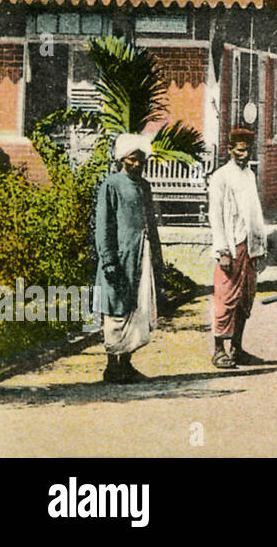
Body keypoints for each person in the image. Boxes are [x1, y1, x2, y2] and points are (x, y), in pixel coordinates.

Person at [94, 134, 163, 384]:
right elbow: (103, 226)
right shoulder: (111, 185)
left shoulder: (144, 186)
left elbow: (150, 225)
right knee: (116, 309)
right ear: (122, 159)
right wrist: (109, 260)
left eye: (140, 160)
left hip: (141, 256)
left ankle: (127, 363)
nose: (137, 164)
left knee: (137, 307)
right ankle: (112, 365)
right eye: (132, 160)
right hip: (120, 258)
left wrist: (157, 258)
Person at [208, 127, 267, 369]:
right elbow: (216, 215)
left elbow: (255, 213)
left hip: (250, 246)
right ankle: (219, 350)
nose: (244, 155)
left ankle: (237, 348)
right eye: (240, 150)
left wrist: (260, 245)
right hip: (231, 246)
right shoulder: (221, 177)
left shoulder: (250, 175)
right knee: (226, 298)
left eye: (247, 150)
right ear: (230, 149)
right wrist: (222, 250)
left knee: (245, 298)